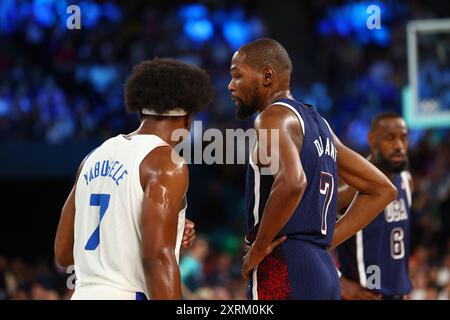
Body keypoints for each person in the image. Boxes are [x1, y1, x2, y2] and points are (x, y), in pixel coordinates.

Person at [227, 38, 397, 300]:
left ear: (267, 75)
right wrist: (326, 239)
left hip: (281, 264)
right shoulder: (321, 126)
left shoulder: (271, 117)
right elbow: (382, 189)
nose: (231, 86)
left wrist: (258, 249)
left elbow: (293, 182)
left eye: (237, 76)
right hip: (323, 268)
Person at [54, 58, 214, 300]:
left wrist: (166, 227)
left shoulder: (92, 157)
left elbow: (64, 252)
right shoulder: (167, 162)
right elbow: (157, 258)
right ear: (188, 119)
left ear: (140, 110)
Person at [336, 112, 413, 300]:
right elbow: (311, 238)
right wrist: (340, 282)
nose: (399, 146)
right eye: (390, 138)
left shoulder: (407, 181)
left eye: (403, 138)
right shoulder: (349, 188)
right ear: (372, 139)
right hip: (363, 293)